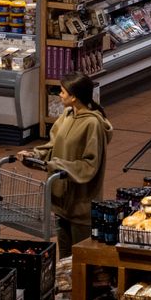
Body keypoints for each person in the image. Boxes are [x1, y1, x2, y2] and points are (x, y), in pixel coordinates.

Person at [18, 72, 113, 257]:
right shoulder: (68, 114)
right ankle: (66, 286)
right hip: (61, 202)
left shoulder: (92, 124)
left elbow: (89, 165)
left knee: (81, 256)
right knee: (65, 257)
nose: (59, 95)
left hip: (81, 204)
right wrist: (34, 155)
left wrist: (58, 165)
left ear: (74, 96)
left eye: (62, 92)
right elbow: (52, 145)